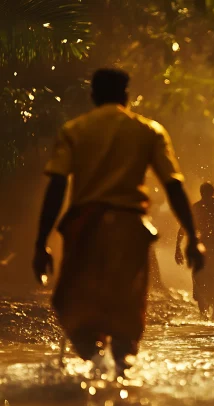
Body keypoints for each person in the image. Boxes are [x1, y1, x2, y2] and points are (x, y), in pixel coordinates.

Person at [33, 68, 204, 376]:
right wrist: (194, 236)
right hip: (129, 228)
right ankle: (123, 370)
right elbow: (173, 185)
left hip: (86, 227)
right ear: (127, 96)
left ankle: (94, 362)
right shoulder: (148, 130)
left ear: (93, 96)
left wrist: (41, 242)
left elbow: (57, 185)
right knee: (127, 303)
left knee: (71, 299)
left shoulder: (75, 129)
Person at [176, 182, 214, 321]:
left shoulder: (197, 207)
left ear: (201, 193)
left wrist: (177, 248)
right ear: (213, 191)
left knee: (200, 281)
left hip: (202, 248)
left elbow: (183, 227)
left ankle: (204, 316)